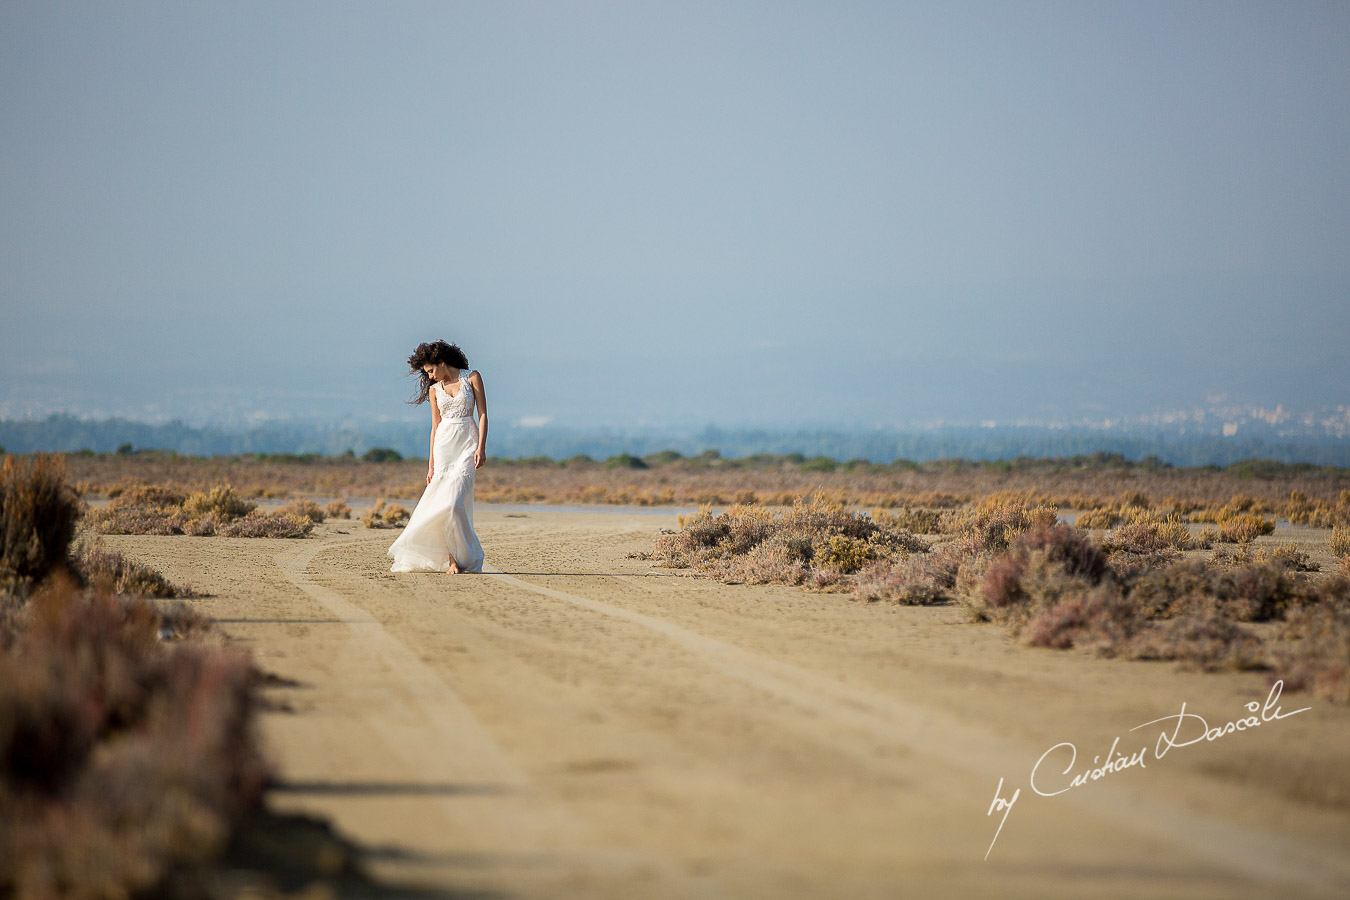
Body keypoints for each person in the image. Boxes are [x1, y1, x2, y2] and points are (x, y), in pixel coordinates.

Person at [387, 340, 487, 574]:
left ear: (442, 363)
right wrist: (431, 465)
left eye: (431, 370)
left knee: (454, 505)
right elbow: (435, 427)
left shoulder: (471, 377)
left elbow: (482, 414)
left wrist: (481, 447)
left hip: (467, 445)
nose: (431, 377)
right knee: (445, 505)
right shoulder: (434, 390)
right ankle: (452, 560)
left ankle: (469, 555)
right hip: (443, 448)